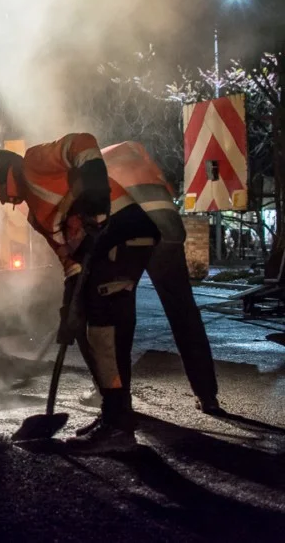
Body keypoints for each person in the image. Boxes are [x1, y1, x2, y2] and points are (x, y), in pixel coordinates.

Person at [0, 133, 161, 454]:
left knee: (104, 329)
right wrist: (69, 310)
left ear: (8, 174)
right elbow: (71, 263)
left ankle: (119, 426)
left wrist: (94, 194)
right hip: (100, 250)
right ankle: (115, 412)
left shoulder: (35, 160)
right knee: (85, 329)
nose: (1, 201)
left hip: (124, 229)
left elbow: (82, 142)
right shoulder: (38, 218)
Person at [77, 141, 220, 413]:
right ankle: (207, 396)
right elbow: (165, 189)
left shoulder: (89, 168)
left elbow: (96, 216)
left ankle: (115, 398)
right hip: (169, 226)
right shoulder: (133, 153)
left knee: (117, 314)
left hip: (135, 230)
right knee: (183, 312)